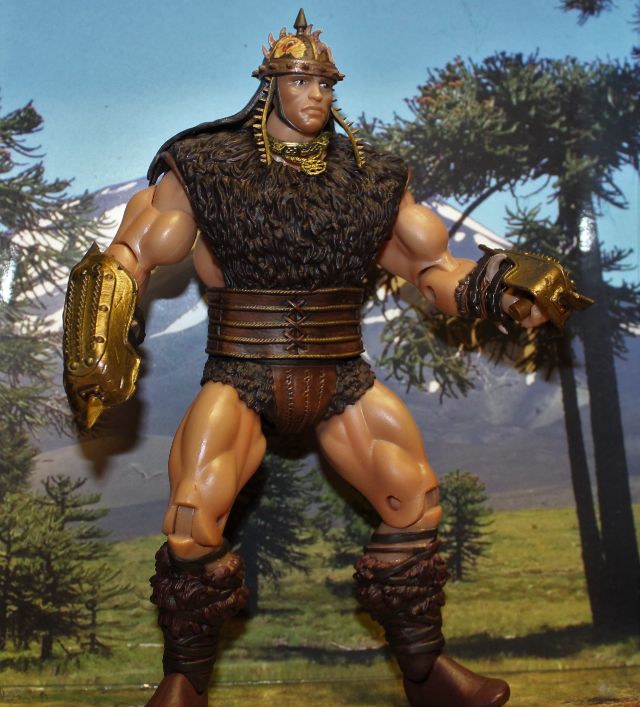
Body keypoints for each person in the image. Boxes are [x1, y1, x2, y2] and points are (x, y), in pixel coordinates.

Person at [63, 9, 591, 707]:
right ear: (271, 85)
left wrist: (502, 288)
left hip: (341, 371)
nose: (316, 93)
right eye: (301, 80)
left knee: (414, 497)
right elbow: (134, 249)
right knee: (193, 515)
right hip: (243, 369)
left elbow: (435, 269)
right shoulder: (207, 164)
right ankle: (184, 681)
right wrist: (100, 321)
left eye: (326, 83)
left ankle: (426, 673)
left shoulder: (371, 178)